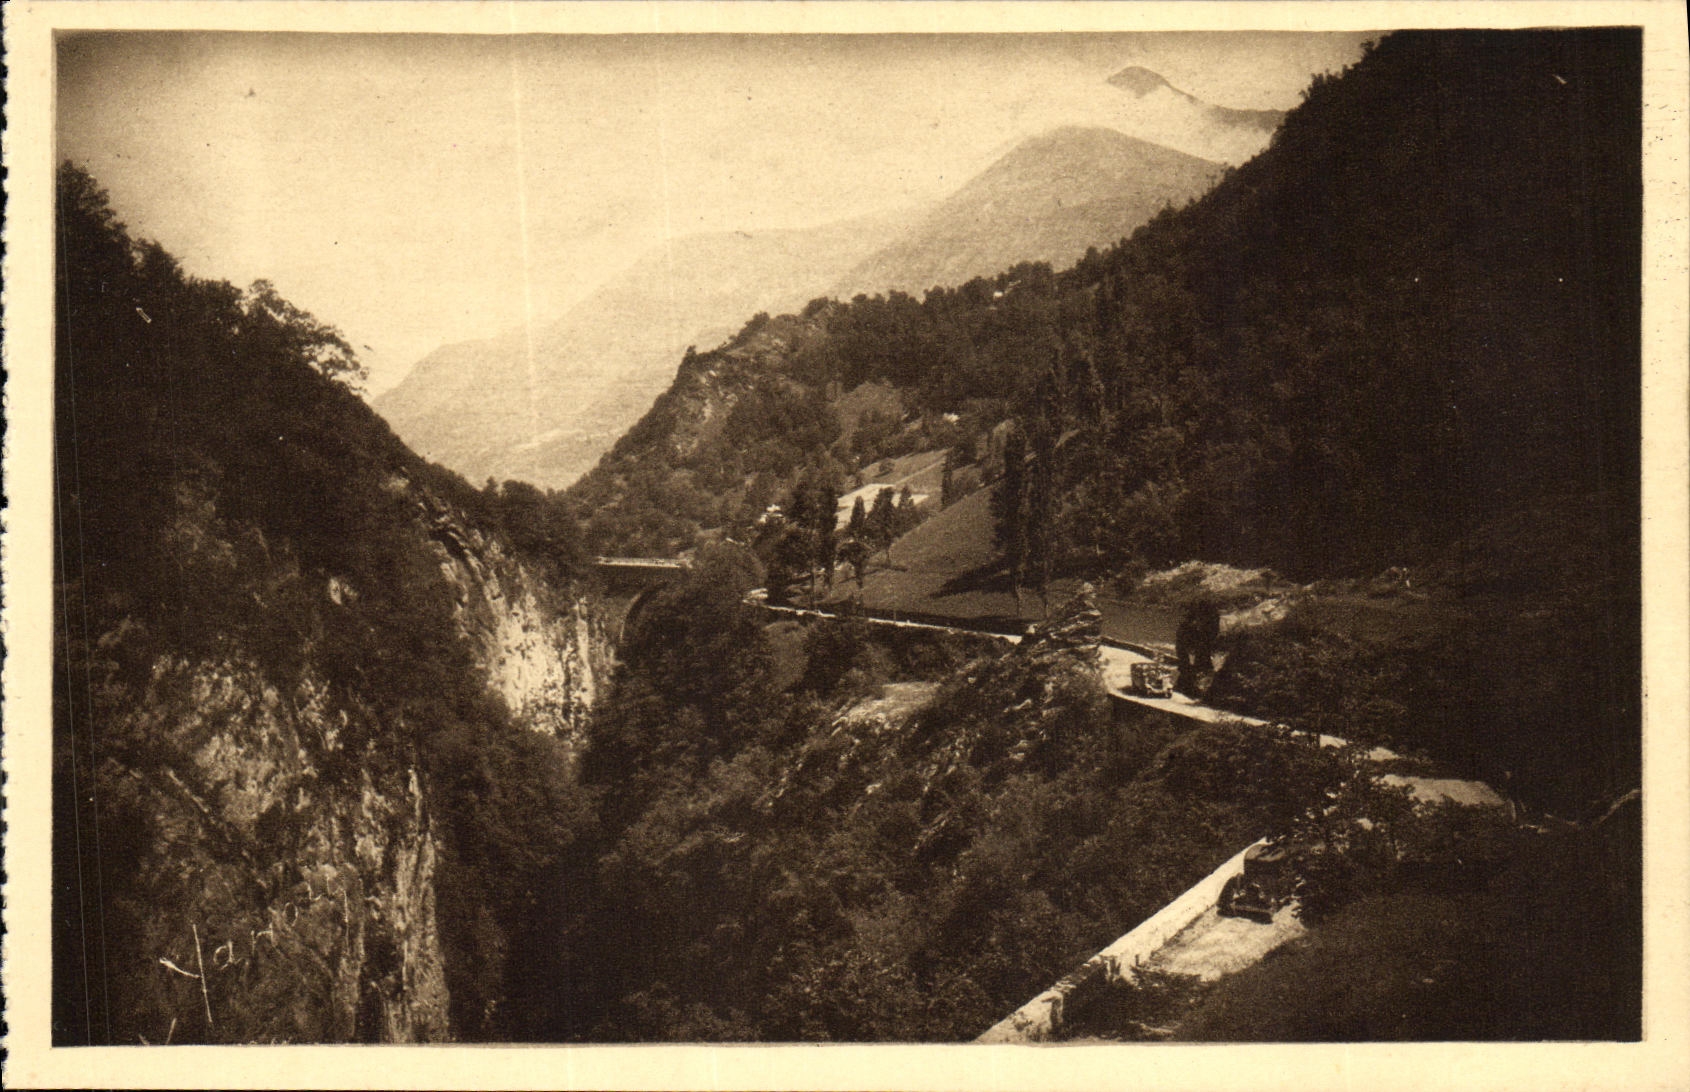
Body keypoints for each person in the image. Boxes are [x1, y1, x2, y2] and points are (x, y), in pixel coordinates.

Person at [1174, 595, 1220, 697]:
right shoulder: (1190, 626)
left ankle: (1189, 685)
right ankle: (1190, 685)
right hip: (1196, 643)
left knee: (1198, 661)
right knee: (1197, 662)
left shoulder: (1191, 626)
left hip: (1197, 644)